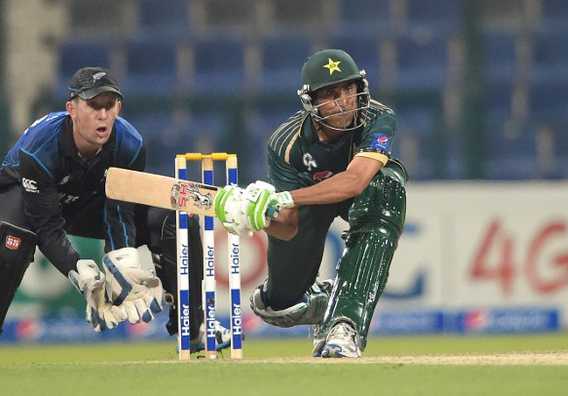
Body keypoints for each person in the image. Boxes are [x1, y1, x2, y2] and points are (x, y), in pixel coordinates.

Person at [0, 67, 229, 352]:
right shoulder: (40, 147)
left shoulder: (129, 144)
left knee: (176, 219)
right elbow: (46, 226)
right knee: (14, 239)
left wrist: (119, 263)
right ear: (71, 108)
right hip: (22, 198)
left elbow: (119, 211)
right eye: (94, 105)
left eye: (110, 105)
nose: (103, 115)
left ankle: (195, 327)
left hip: (87, 204)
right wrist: (77, 271)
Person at [215, 49, 407, 358]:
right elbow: (289, 227)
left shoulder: (378, 117)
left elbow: (355, 180)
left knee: (387, 189)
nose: (344, 99)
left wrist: (287, 197)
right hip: (311, 205)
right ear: (311, 102)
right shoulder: (286, 144)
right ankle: (328, 300)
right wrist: (260, 216)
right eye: (331, 93)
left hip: (362, 195)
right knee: (279, 306)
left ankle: (346, 326)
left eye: (349, 88)